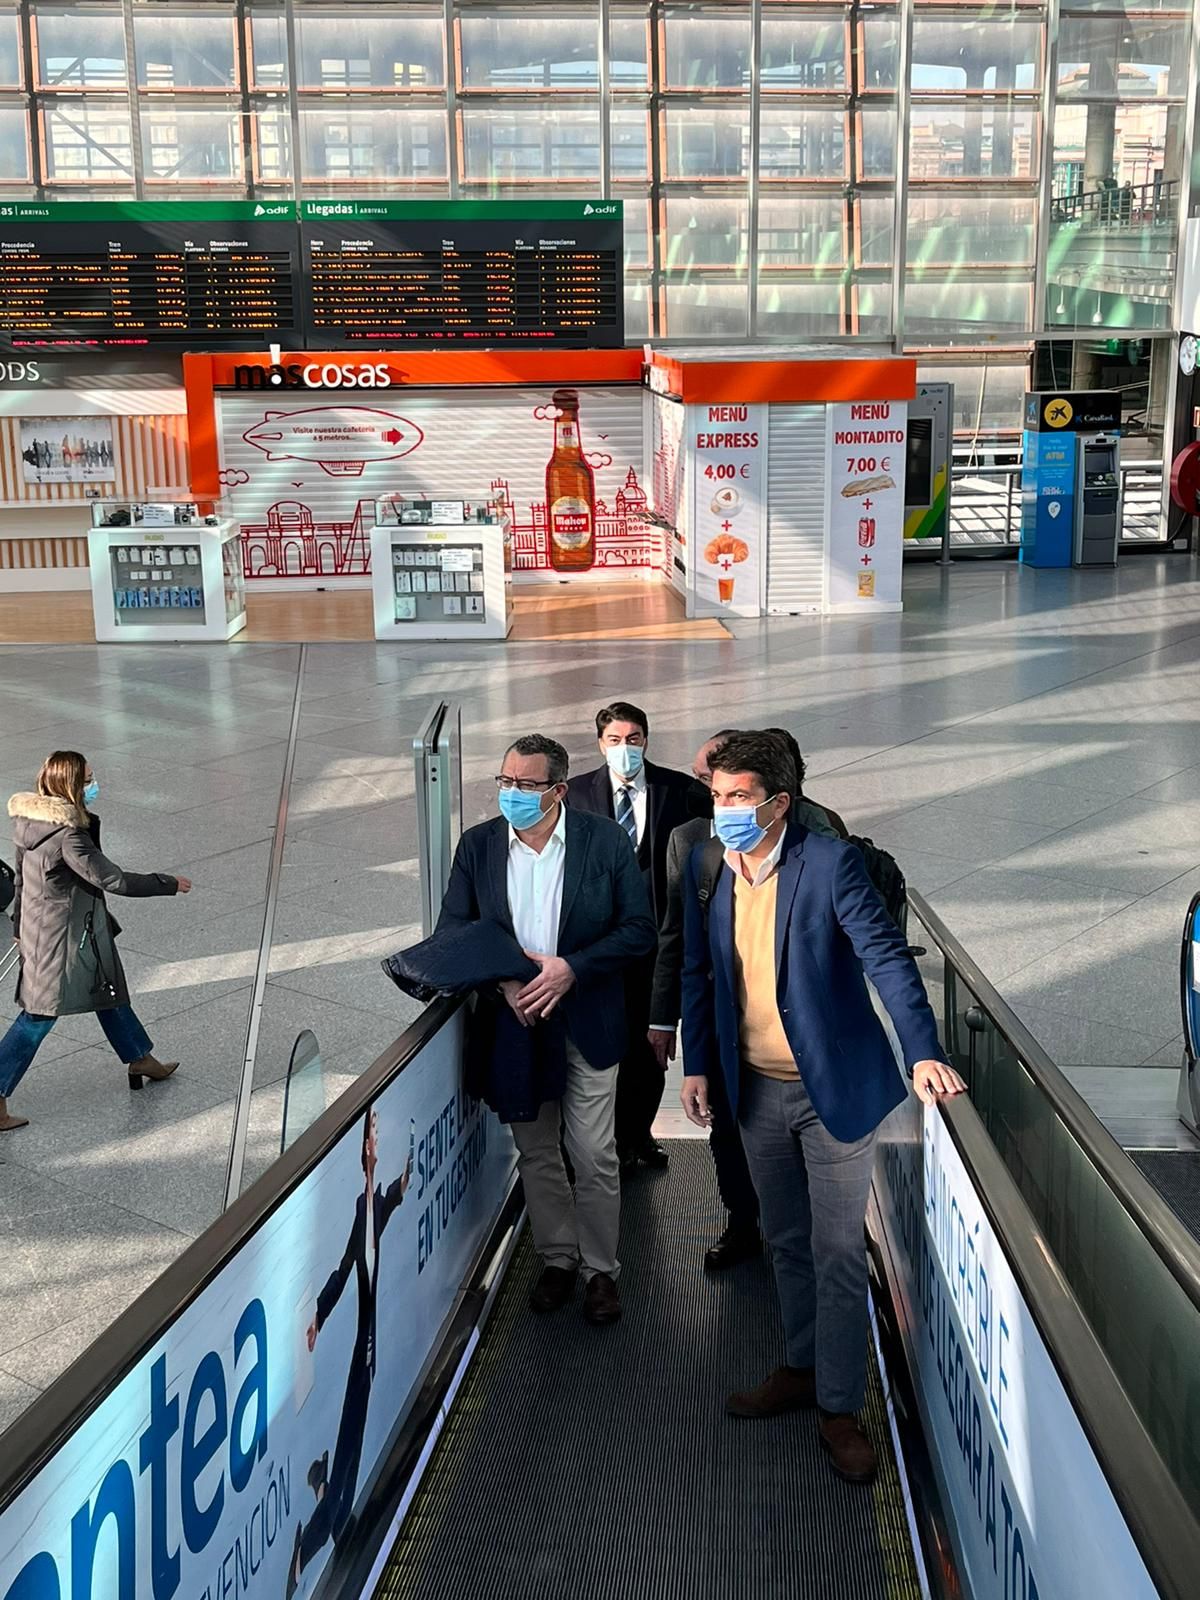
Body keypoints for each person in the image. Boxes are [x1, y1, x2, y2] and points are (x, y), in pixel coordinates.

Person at [679, 731, 964, 1483]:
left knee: (839, 1252)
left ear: (779, 803)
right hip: (754, 1091)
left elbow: (887, 961)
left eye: (737, 798)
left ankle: (839, 1407)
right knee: (786, 1240)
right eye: (717, 795)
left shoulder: (829, 864)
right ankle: (802, 1366)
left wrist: (923, 1050)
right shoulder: (708, 863)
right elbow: (698, 971)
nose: (723, 809)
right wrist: (698, 1064)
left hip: (831, 1092)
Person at [437, 733, 656, 1324]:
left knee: (594, 1153)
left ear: (558, 791)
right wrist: (504, 983)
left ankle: (600, 1271)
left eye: (526, 785)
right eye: (505, 781)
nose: (511, 794)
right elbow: (456, 933)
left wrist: (571, 970)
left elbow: (639, 929)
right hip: (515, 1023)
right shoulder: (478, 847)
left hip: (588, 1019)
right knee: (536, 1152)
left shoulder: (604, 842)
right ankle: (557, 1258)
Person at [0, 751, 190, 1131]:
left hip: (62, 930)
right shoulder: (68, 836)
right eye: (87, 779)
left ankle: (140, 1057)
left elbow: (20, 880)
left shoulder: (31, 821)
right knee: (38, 1014)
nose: (94, 784)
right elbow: (112, 879)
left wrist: (20, 927)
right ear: (69, 785)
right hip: (64, 939)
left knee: (109, 991)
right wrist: (166, 883)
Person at [566, 700, 701, 1174]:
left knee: (651, 1050)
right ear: (600, 743)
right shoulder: (577, 794)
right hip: (600, 946)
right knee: (601, 1046)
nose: (625, 748)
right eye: (615, 740)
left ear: (647, 740)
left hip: (656, 947)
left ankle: (637, 1137)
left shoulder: (679, 791)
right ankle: (596, 1143)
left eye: (634, 739)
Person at [288, 1106, 412, 1597]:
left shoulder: (375, 1205)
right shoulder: (362, 1210)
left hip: (370, 1347)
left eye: (375, 1136)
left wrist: (407, 1172)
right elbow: (342, 1270)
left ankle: (324, 1490)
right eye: (369, 1137)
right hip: (362, 1348)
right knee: (349, 1448)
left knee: (352, 1450)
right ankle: (306, 1549)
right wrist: (318, 1314)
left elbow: (399, 1193)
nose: (372, 1144)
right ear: (361, 1150)